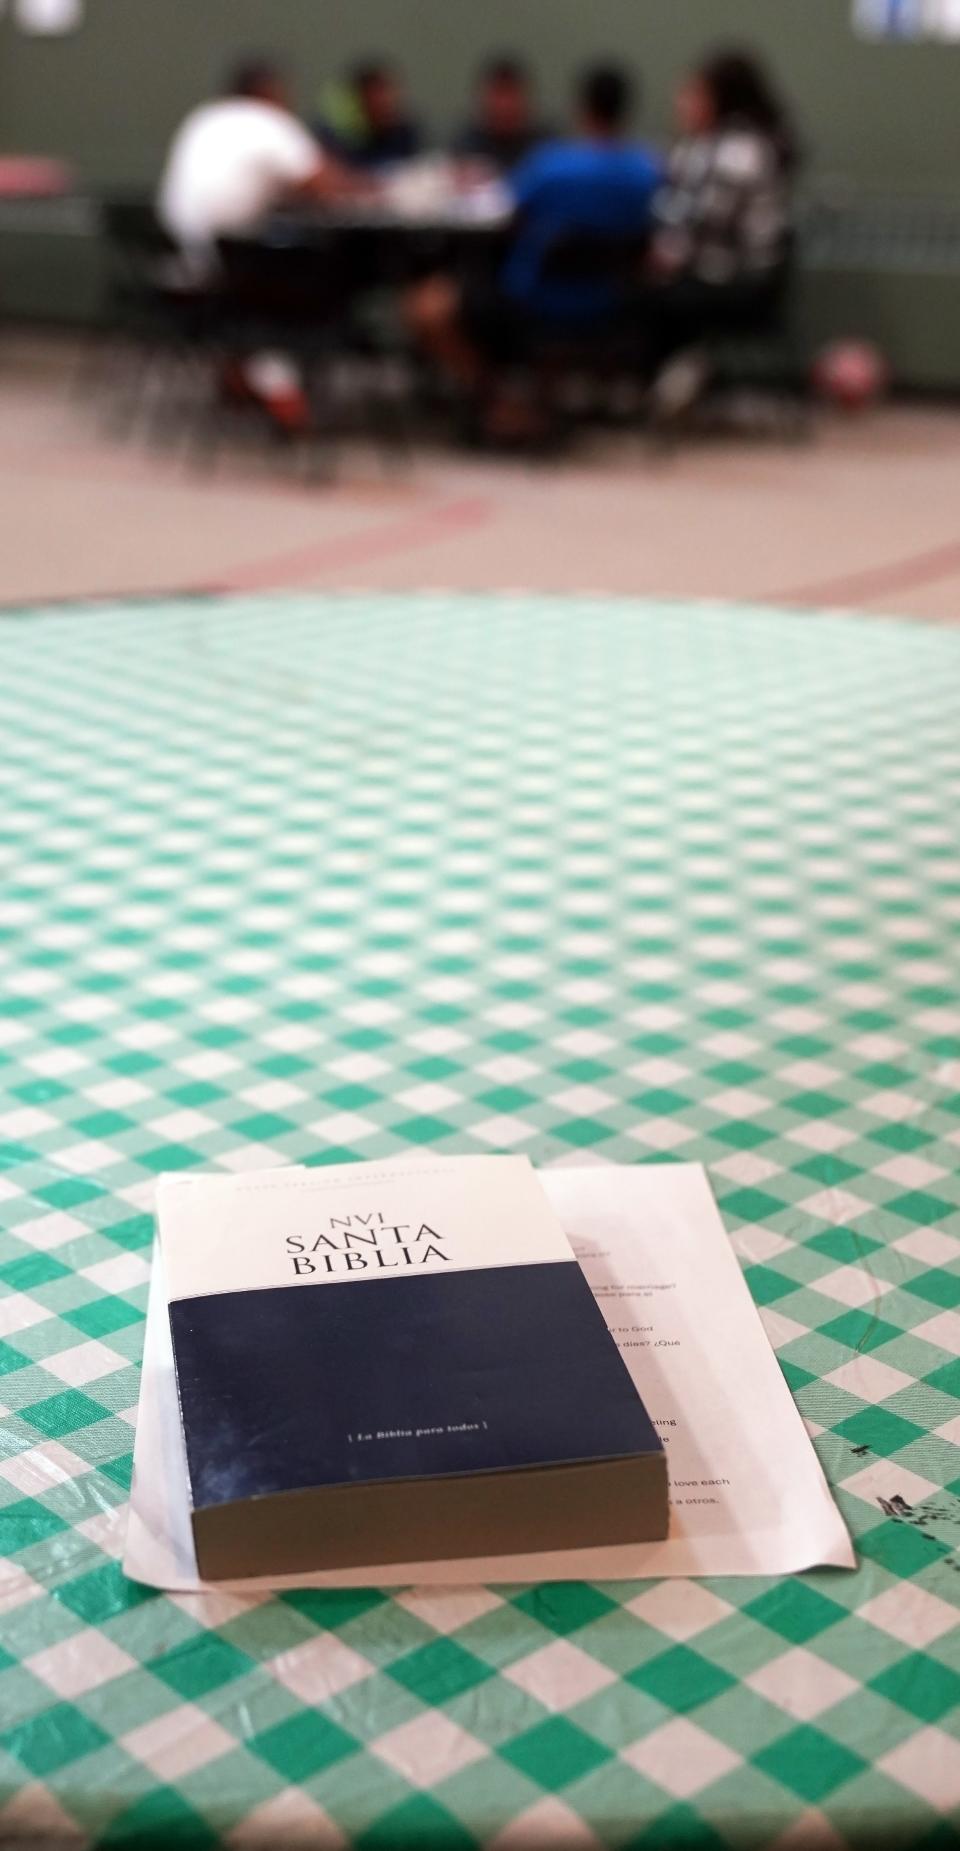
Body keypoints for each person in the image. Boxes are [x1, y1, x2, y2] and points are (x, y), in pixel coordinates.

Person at [410, 64, 662, 434]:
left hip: (531, 299)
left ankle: (496, 404)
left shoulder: (552, 166)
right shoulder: (647, 170)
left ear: (583, 109)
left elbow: (498, 211)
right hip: (611, 301)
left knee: (425, 307)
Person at [157, 59, 362, 431]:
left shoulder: (204, 118)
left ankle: (242, 378)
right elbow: (326, 186)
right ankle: (284, 394)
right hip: (235, 279)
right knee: (323, 273)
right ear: (268, 92)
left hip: (181, 271)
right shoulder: (269, 122)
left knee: (264, 266)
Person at [642, 49, 800, 415]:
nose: (681, 103)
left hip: (740, 281)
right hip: (716, 270)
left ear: (718, 99)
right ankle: (676, 381)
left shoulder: (740, 150)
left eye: (692, 94)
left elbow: (706, 224)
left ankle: (673, 386)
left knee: (647, 296)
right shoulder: (703, 146)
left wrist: (663, 253)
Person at [453, 55, 553, 176]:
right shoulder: (466, 148)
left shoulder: (546, 147)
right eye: (499, 94)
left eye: (511, 94)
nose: (505, 105)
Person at [315, 60, 422, 170]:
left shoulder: (404, 133)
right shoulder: (339, 139)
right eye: (376, 99)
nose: (385, 104)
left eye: (388, 97)